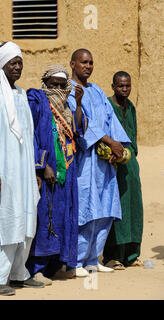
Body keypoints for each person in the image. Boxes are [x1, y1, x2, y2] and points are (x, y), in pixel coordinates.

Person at [0, 42, 41, 295]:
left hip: (23, 170)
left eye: (20, 63)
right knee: (5, 221)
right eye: (12, 63)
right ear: (1, 64)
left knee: (26, 220)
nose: (17, 68)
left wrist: (34, 170)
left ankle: (18, 273)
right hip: (3, 170)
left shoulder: (21, 94)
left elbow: (28, 134)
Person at [66, 49, 131, 277]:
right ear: (73, 64)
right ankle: (76, 261)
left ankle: (94, 258)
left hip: (105, 162)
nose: (88, 66)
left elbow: (109, 119)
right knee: (86, 210)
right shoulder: (70, 91)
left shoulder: (97, 90)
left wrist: (118, 147)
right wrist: (110, 141)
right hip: (85, 161)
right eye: (84, 62)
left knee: (105, 209)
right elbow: (82, 125)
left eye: (91, 62)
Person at [25, 64, 87, 284]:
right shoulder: (38, 103)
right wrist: (42, 165)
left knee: (64, 216)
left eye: (62, 85)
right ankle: (36, 268)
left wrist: (78, 103)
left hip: (67, 171)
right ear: (46, 84)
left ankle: (56, 264)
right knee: (45, 216)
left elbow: (79, 131)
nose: (58, 89)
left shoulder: (69, 106)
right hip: (48, 171)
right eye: (53, 85)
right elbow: (29, 134)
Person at [103, 71, 144, 269]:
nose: (124, 89)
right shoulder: (108, 106)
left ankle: (131, 254)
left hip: (131, 165)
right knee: (117, 207)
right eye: (120, 86)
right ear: (113, 86)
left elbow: (133, 136)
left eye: (127, 86)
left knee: (134, 207)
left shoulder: (132, 107)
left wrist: (132, 155)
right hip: (114, 164)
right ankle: (113, 256)